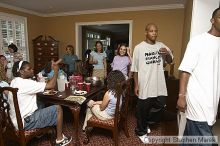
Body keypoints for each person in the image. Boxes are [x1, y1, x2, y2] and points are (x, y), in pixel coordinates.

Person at [177, 8, 220, 145]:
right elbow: (185, 71)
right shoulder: (198, 41)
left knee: (190, 140)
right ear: (212, 21)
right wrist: (181, 96)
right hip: (198, 102)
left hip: (212, 103)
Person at [8, 60, 72, 146]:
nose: (32, 70)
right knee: (58, 108)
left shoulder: (14, 81)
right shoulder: (26, 83)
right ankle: (60, 139)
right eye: (29, 69)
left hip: (13, 121)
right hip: (25, 122)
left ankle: (41, 131)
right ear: (21, 72)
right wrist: (56, 71)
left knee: (40, 102)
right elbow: (51, 86)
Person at [131, 23, 173, 144]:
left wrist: (166, 54)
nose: (154, 33)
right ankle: (140, 131)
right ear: (146, 32)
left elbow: (170, 61)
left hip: (159, 84)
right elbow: (135, 69)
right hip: (145, 84)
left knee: (160, 105)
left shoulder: (161, 45)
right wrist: (136, 85)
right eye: (151, 31)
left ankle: (146, 123)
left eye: (156, 31)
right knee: (142, 109)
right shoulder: (139, 48)